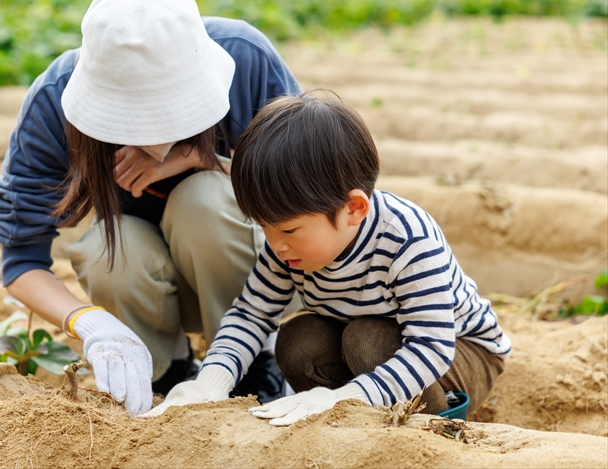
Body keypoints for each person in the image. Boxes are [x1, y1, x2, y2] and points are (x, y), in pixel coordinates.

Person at [0, 0, 300, 416]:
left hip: (255, 282)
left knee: (203, 201)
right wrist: (89, 323)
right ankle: (163, 372)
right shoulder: (52, 103)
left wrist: (201, 158)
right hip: (151, 289)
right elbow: (20, 261)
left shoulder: (246, 58)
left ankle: (255, 366)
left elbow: (310, 191)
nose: (153, 139)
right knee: (108, 249)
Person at [143, 92, 511, 424]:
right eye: (263, 227)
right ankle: (354, 418)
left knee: (367, 341)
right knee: (299, 340)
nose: (275, 244)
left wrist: (343, 397)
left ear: (353, 208)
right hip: (372, 340)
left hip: (460, 353)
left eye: (288, 230)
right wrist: (208, 385)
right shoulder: (284, 247)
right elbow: (252, 313)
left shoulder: (407, 240)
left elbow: (431, 346)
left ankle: (428, 419)